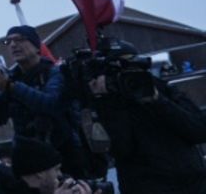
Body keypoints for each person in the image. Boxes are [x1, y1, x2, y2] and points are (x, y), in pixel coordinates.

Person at [86, 38, 206, 193]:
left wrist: (157, 101)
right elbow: (121, 149)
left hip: (193, 184)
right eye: (119, 67)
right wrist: (107, 102)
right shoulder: (106, 102)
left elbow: (199, 130)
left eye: (132, 64)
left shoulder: (160, 88)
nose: (128, 72)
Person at [0, 26, 89, 179]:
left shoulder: (55, 72)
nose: (13, 45)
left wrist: (10, 86)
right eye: (8, 42)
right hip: (31, 159)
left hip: (65, 155)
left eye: (19, 39)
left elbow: (51, 104)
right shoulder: (11, 78)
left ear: (37, 46)